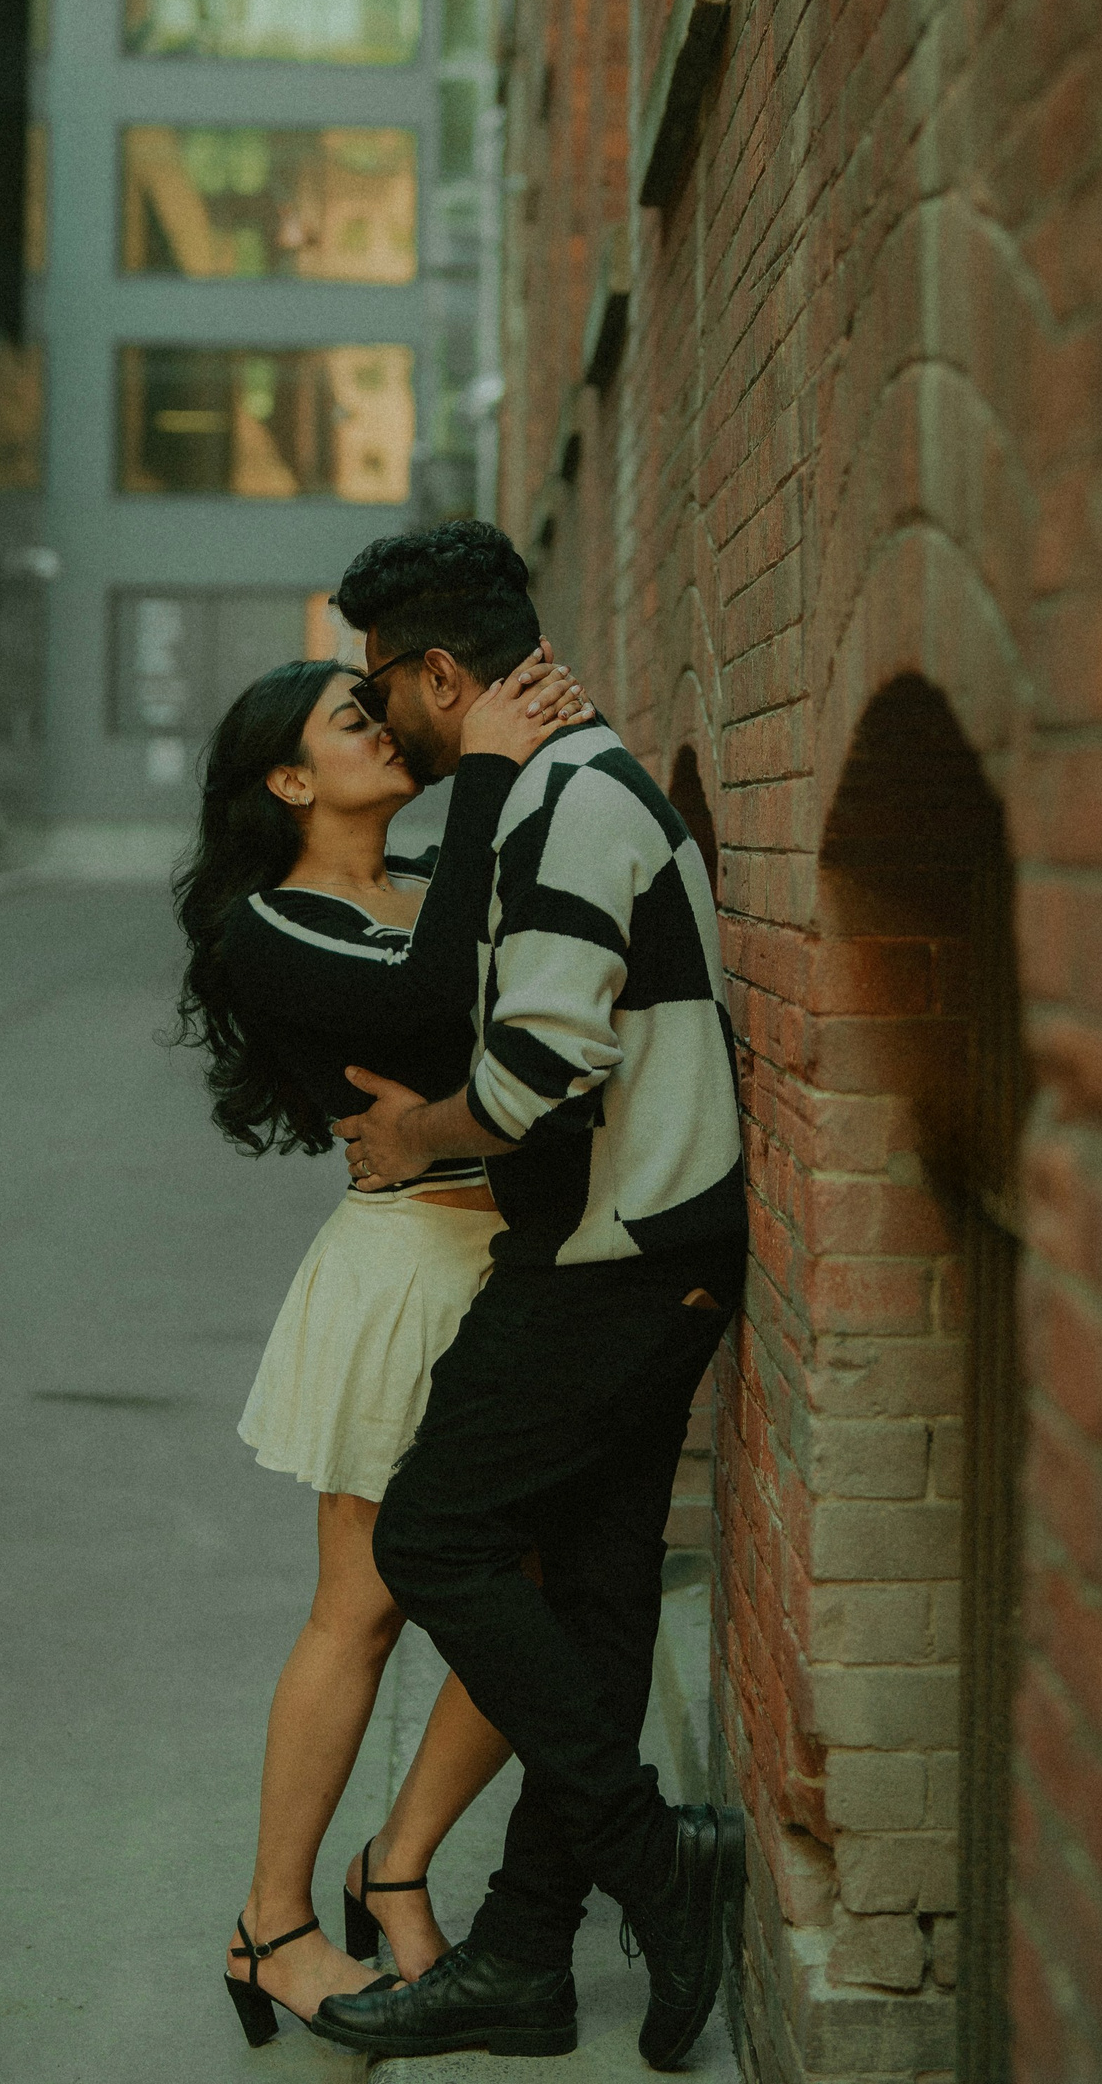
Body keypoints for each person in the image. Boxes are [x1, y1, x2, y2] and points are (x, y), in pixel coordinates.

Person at [304, 521, 749, 2073]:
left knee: (435, 1536)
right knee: (597, 1603)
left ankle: (652, 1857)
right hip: (638, 1253)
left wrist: (414, 1138)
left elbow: (546, 1065)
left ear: (442, 672)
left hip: (616, 1261)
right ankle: (525, 1957)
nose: (380, 717)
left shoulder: (574, 805)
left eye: (381, 686)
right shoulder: (561, 791)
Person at [170, 639, 591, 2045]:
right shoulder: (270, 926)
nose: (385, 729)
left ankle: (394, 1862)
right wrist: (489, 775)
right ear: (290, 781)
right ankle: (271, 1925)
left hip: (512, 1263)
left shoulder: (421, 879)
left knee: (524, 1601)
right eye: (354, 719)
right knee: (361, 1606)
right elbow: (429, 1006)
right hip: (406, 1271)